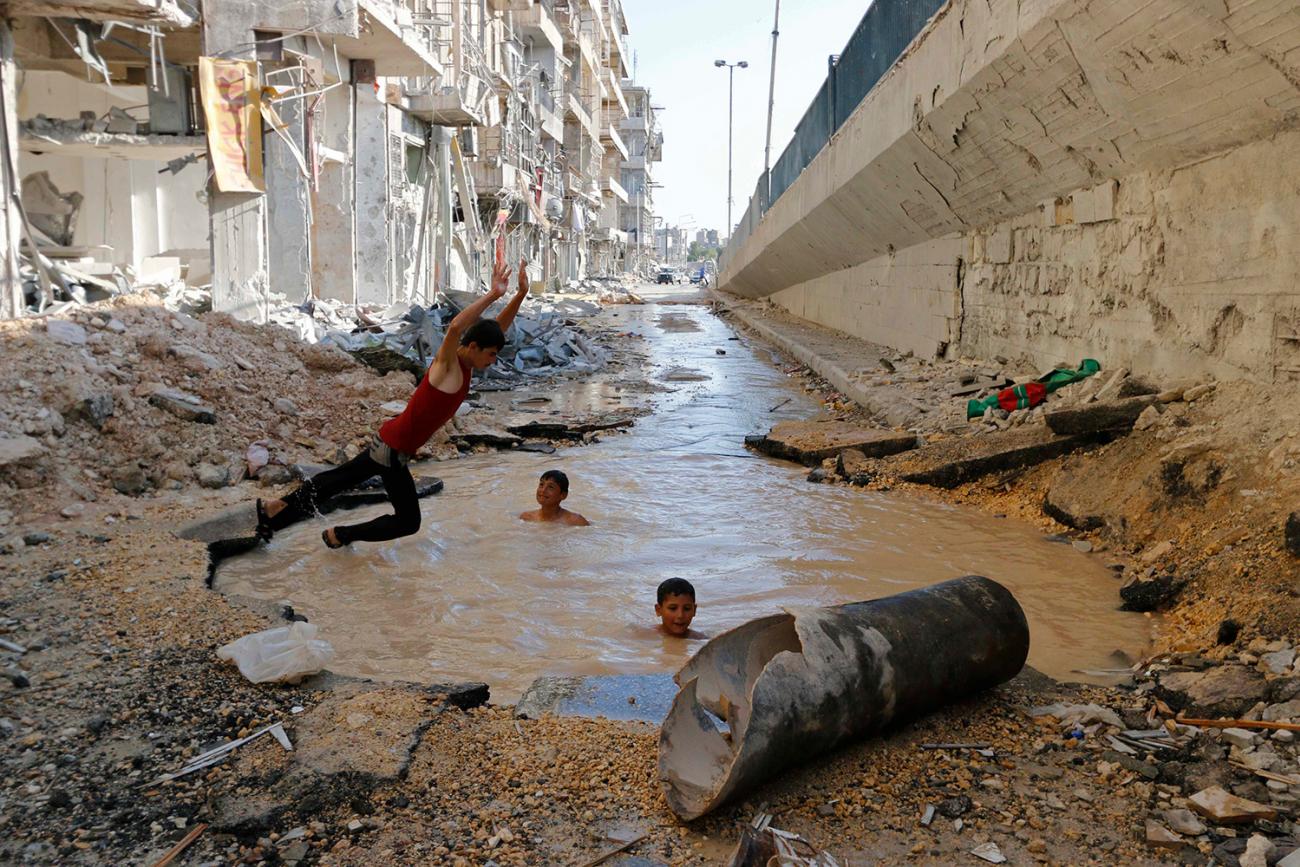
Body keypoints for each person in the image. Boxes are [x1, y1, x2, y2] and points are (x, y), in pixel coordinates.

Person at [256, 259, 532, 548]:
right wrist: (493, 295)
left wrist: (519, 295)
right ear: (473, 347)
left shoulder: (468, 362)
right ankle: (340, 535)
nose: (493, 361)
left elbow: (495, 330)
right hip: (392, 451)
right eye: (491, 354)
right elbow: (454, 328)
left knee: (337, 480)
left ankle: (279, 508)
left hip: (390, 443)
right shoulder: (447, 366)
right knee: (407, 521)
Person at [519, 469, 590, 526]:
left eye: (550, 487)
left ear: (563, 495)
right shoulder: (526, 518)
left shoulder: (576, 522)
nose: (543, 490)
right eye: (541, 485)